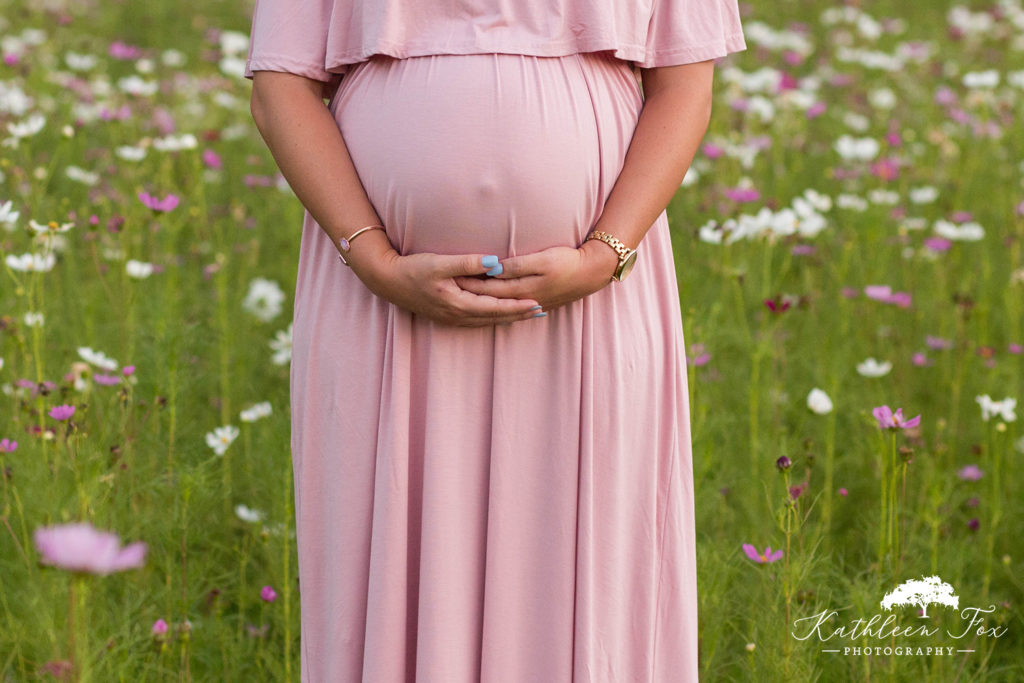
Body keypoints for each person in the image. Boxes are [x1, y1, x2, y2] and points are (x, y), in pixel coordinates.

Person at [245, 0, 745, 680]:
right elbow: (281, 86)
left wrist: (605, 254)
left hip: (592, 301)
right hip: (379, 307)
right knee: (391, 555)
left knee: (588, 565)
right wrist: (372, 257)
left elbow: (686, 81)